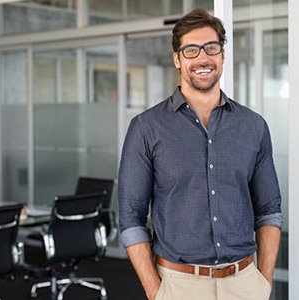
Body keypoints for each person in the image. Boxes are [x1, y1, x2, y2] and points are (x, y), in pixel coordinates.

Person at [118, 8, 282, 300]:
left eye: (212, 48)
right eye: (191, 50)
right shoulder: (146, 127)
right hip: (178, 286)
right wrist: (155, 292)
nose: (203, 58)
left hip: (244, 284)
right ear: (177, 59)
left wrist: (264, 282)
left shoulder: (253, 126)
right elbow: (131, 218)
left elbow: (269, 210)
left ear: (222, 55)